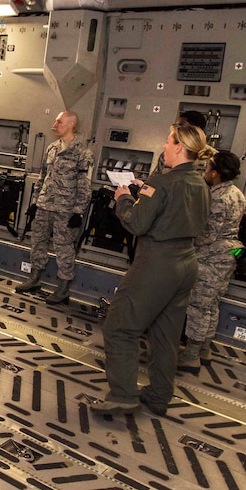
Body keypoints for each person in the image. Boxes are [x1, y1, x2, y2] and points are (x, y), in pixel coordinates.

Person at [91, 124, 212, 415]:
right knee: (166, 336)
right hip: (186, 264)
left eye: (168, 142)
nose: (164, 147)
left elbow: (137, 222)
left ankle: (122, 396)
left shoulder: (163, 182)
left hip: (157, 264)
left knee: (119, 328)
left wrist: (123, 198)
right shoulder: (201, 184)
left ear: (180, 148)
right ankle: (158, 396)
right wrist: (143, 190)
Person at [178, 151, 246, 373]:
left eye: (207, 168)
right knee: (212, 305)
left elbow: (207, 234)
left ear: (215, 173)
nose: (205, 171)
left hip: (211, 259)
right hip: (228, 256)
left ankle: (191, 356)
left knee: (198, 305)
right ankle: (205, 350)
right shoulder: (237, 194)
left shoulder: (217, 198)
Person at [16, 110, 93, 303]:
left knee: (64, 247)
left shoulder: (82, 153)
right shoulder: (52, 148)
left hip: (65, 210)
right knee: (37, 241)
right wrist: (35, 202)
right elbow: (43, 177)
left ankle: (63, 287)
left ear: (70, 125)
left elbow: (84, 185)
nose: (54, 125)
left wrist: (78, 211)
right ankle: (34, 278)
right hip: (44, 205)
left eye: (59, 122)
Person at [150, 109, 206, 176]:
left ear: (193, 130)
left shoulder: (208, 157)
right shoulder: (166, 154)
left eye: (180, 126)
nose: (177, 129)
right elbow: (155, 177)